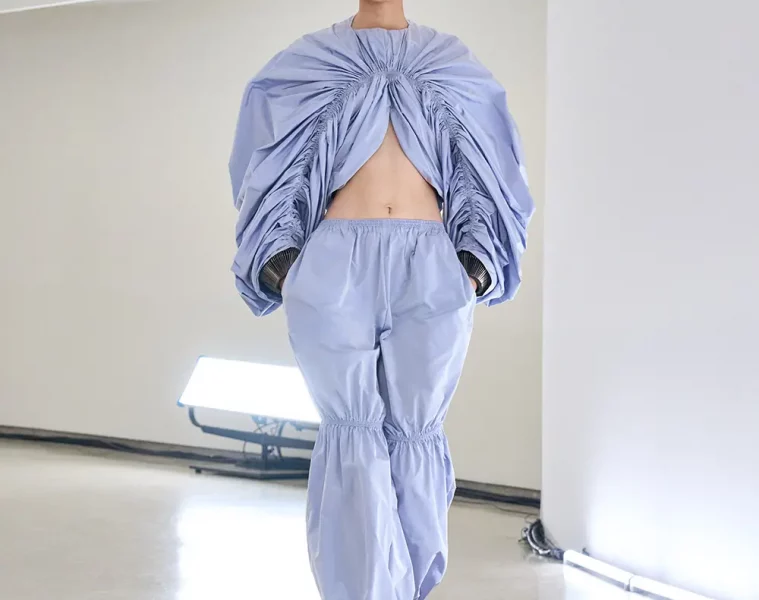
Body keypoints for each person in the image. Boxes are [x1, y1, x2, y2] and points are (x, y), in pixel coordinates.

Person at [228, 1, 534, 598]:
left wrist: (470, 271)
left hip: (432, 265)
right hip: (334, 264)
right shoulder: (310, 60)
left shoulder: (449, 61)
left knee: (418, 432)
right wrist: (288, 269)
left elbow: (492, 163)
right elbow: (263, 159)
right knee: (352, 431)